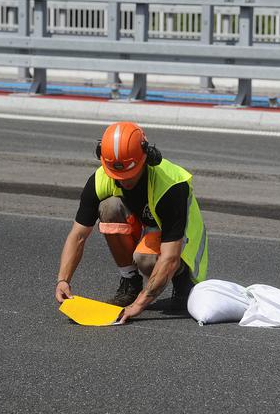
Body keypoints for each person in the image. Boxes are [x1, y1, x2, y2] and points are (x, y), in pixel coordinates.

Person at [54, 121, 208, 323]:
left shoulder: (171, 186)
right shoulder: (101, 178)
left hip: (182, 244)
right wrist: (63, 280)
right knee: (108, 207)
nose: (123, 181)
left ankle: (182, 283)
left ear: (146, 157)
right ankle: (130, 283)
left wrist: (139, 305)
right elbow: (78, 235)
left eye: (129, 174)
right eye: (116, 175)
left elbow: (170, 256)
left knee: (145, 258)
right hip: (148, 228)